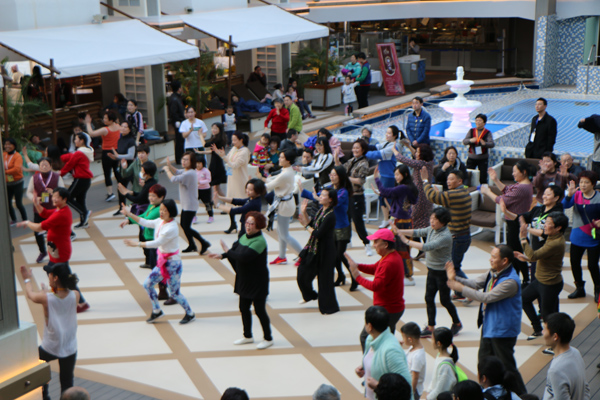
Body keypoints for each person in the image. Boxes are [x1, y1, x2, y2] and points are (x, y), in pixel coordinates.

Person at [445, 244, 527, 395]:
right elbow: (475, 283)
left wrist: (460, 288)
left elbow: (486, 297)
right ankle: (485, 393)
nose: (490, 259)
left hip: (503, 330)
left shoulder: (510, 281)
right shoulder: (494, 272)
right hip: (490, 325)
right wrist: (455, 278)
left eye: (494, 257)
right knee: (483, 362)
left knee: (507, 366)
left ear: (505, 260)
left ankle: (522, 395)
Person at [122, 199, 196, 324]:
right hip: (163, 262)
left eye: (164, 210)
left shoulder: (172, 227)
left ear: (171, 212)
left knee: (175, 294)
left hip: (173, 264)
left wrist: (137, 244)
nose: (161, 212)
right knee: (147, 284)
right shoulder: (160, 221)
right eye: (161, 209)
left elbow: (157, 242)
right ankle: (157, 310)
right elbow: (145, 222)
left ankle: (190, 313)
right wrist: (129, 214)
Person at [17, 186, 89, 312]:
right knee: (52, 272)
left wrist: (27, 223)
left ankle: (81, 303)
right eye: (53, 196)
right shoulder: (60, 209)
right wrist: (36, 204)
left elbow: (40, 227)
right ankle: (63, 297)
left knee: (65, 278)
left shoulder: (62, 214)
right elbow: (44, 213)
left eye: (57, 197)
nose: (54, 199)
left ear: (64, 199)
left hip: (60, 252)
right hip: (55, 251)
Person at [209, 211, 273, 350]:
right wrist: (223, 255)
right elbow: (235, 250)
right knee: (243, 308)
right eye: (247, 223)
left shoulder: (259, 241)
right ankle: (248, 336)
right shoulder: (244, 236)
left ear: (259, 225)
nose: (248, 226)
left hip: (257, 281)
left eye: (252, 224)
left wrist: (227, 251)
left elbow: (244, 257)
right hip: (244, 279)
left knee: (260, 310)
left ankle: (268, 338)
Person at [396, 208, 463, 338]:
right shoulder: (432, 229)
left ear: (443, 222)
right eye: (431, 218)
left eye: (435, 219)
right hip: (432, 270)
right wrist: (400, 231)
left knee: (444, 300)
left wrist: (406, 241)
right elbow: (418, 231)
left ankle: (457, 323)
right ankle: (431, 327)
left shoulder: (445, 236)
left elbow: (427, 247)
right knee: (428, 298)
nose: (432, 221)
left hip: (443, 273)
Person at [20, 263, 79, 400]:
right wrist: (48, 291)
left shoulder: (46, 299)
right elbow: (61, 299)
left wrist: (27, 279)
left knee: (40, 371)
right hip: (70, 347)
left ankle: (45, 395)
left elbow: (31, 295)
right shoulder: (75, 295)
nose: (49, 277)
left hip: (50, 347)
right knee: (67, 382)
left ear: (56, 278)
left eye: (50, 275)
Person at [346, 228, 405, 349]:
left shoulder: (389, 262)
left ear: (385, 244)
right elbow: (375, 268)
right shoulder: (390, 256)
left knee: (366, 337)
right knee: (386, 340)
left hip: (387, 309)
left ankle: (370, 360)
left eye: (376, 242)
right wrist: (357, 266)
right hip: (393, 308)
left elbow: (375, 286)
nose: (374, 245)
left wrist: (357, 276)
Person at [481, 161, 535, 284]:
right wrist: (495, 180)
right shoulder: (524, 185)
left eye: (515, 171)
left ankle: (521, 280)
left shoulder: (522, 188)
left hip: (515, 223)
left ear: (524, 172)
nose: (513, 174)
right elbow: (507, 190)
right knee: (518, 251)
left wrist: (487, 192)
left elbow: (502, 200)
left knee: (515, 254)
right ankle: (523, 279)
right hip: (516, 222)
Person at [515, 212, 567, 341]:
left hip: (549, 284)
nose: (545, 226)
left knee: (548, 316)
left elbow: (534, 256)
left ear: (558, 228)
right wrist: (527, 258)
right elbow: (541, 256)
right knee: (523, 299)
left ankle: (555, 343)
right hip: (540, 280)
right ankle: (538, 329)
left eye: (548, 223)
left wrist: (523, 239)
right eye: (546, 222)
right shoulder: (553, 236)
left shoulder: (555, 243)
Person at [422, 167, 472, 299]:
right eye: (447, 179)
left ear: (460, 181)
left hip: (457, 238)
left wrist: (425, 181)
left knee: (453, 267)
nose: (448, 181)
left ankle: (469, 291)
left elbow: (432, 196)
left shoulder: (453, 194)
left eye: (451, 179)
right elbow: (446, 203)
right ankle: (460, 292)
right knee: (454, 266)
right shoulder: (464, 192)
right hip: (464, 236)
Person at [500, 185, 564, 281]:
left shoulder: (558, 214)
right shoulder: (537, 210)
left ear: (556, 198)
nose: (544, 196)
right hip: (535, 251)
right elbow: (520, 217)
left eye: (548, 194)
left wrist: (527, 229)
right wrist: (506, 211)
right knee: (534, 279)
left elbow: (545, 233)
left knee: (544, 280)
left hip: (548, 252)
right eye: (544, 194)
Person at [301, 166, 353, 286]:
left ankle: (354, 277)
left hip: (342, 227)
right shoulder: (329, 188)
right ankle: (341, 275)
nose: (332, 177)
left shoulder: (343, 192)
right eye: (331, 174)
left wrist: (317, 197)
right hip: (332, 227)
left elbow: (334, 203)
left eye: (334, 175)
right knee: (334, 256)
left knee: (340, 255)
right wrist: (303, 190)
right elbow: (318, 196)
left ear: (340, 177)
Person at [297, 189, 340, 314]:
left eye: (323, 195)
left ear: (330, 199)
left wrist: (306, 226)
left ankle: (329, 307)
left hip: (325, 250)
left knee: (325, 280)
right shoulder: (321, 211)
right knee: (302, 272)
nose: (320, 197)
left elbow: (317, 233)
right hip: (315, 248)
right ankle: (310, 295)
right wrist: (304, 213)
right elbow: (312, 225)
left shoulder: (330, 216)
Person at [355, 306, 412, 400]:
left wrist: (378, 386)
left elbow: (405, 387)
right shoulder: (371, 339)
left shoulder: (391, 351)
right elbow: (374, 360)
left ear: (370, 326)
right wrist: (365, 367)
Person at [375, 164, 418, 286]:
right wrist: (381, 193)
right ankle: (404, 273)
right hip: (403, 221)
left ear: (405, 175)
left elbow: (386, 191)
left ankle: (407, 274)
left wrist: (377, 179)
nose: (396, 177)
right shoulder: (407, 187)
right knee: (401, 248)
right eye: (395, 174)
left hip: (402, 223)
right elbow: (390, 195)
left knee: (401, 249)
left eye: (398, 174)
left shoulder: (403, 187)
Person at [562, 171, 600, 301]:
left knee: (592, 265)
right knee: (574, 263)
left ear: (593, 184)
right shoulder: (576, 195)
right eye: (581, 182)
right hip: (577, 237)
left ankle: (598, 289)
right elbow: (564, 205)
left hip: (594, 237)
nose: (583, 185)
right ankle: (579, 288)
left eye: (586, 182)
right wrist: (569, 195)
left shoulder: (599, 198)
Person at [393, 143, 435, 259]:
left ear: (422, 154)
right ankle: (427, 249)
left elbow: (404, 160)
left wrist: (394, 150)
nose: (416, 153)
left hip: (419, 197)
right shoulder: (429, 162)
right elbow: (415, 158)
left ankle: (422, 249)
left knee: (414, 222)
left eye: (418, 152)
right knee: (424, 223)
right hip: (427, 196)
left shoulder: (420, 164)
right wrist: (408, 146)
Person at [163, 152, 211, 254]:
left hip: (190, 205)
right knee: (184, 226)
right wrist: (170, 165)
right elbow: (177, 171)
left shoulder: (189, 173)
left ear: (192, 161)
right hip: (187, 204)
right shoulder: (188, 171)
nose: (183, 161)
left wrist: (167, 170)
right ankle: (192, 245)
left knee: (186, 227)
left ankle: (203, 243)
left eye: (186, 160)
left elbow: (174, 179)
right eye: (183, 159)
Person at [264, 150, 303, 265]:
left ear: (288, 160)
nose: (279, 159)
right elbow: (274, 180)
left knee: (284, 234)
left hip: (285, 205)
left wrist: (256, 183)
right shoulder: (286, 170)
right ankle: (282, 257)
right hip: (284, 204)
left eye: (282, 157)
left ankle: (303, 255)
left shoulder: (286, 173)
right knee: (281, 232)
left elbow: (269, 185)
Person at [542, 312, 591, 400]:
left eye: (545, 329)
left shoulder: (556, 370)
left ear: (555, 336)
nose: (542, 332)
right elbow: (585, 388)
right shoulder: (575, 352)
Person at [336, 138, 373, 256]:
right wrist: (336, 157)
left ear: (363, 150)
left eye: (357, 148)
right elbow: (341, 169)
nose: (355, 150)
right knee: (345, 219)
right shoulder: (352, 160)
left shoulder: (364, 163)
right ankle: (347, 241)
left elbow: (360, 181)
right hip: (347, 194)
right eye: (354, 147)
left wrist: (346, 178)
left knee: (358, 222)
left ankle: (367, 243)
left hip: (356, 196)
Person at [121, 183, 165, 278]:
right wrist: (129, 220)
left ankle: (161, 284)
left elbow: (145, 220)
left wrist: (129, 215)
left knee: (156, 268)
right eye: (150, 195)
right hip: (150, 239)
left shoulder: (159, 210)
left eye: (154, 196)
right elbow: (143, 215)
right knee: (154, 267)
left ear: (161, 197)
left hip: (155, 241)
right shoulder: (152, 206)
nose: (150, 198)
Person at [26, 157, 65, 263]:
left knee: (54, 232)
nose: (44, 166)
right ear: (38, 167)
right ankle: (42, 251)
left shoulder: (57, 177)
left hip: (53, 210)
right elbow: (29, 192)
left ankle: (55, 252)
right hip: (39, 210)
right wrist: (34, 198)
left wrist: (54, 192)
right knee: (38, 231)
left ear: (50, 166)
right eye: (42, 165)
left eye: (46, 164)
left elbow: (63, 191)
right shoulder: (34, 178)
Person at [366, 125, 404, 228]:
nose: (386, 135)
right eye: (386, 133)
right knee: (382, 198)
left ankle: (394, 219)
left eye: (389, 133)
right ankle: (386, 219)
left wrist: (364, 152)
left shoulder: (394, 146)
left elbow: (377, 154)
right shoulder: (387, 143)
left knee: (388, 199)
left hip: (389, 176)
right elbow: (375, 147)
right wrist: (363, 145)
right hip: (382, 175)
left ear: (394, 135)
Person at [85, 111, 120, 202]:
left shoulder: (105, 129)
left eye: (105, 118)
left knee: (107, 173)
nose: (103, 120)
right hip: (117, 151)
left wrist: (88, 123)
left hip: (107, 152)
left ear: (111, 120)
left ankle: (110, 193)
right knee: (117, 171)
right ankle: (122, 189)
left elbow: (92, 133)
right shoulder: (118, 126)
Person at [60, 133, 93, 228]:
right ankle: (84, 222)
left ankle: (84, 212)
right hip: (86, 180)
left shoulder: (79, 153)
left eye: (76, 139)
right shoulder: (86, 151)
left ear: (81, 140)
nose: (74, 141)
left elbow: (69, 165)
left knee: (67, 198)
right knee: (80, 200)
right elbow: (71, 157)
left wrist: (59, 175)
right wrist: (60, 157)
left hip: (80, 179)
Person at [109, 120, 137, 215]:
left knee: (136, 187)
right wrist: (115, 157)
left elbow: (131, 155)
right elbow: (120, 154)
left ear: (129, 129)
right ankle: (122, 208)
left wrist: (118, 156)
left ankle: (139, 205)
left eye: (125, 127)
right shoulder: (120, 140)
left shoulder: (131, 141)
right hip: (122, 167)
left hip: (131, 167)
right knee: (120, 187)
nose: (123, 128)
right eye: (122, 126)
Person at [213, 131, 250, 199]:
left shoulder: (244, 151)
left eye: (235, 140)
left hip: (239, 179)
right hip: (231, 177)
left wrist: (224, 156)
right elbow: (227, 158)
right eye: (232, 140)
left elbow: (234, 165)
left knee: (240, 196)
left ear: (241, 140)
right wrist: (218, 152)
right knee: (231, 195)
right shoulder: (234, 148)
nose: (233, 142)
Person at [426, 327, 459, 400]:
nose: (431, 341)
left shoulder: (445, 366)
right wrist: (429, 391)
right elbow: (434, 380)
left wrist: (428, 398)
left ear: (438, 343)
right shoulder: (439, 355)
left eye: (432, 339)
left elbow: (440, 390)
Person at [463, 113, 495, 184]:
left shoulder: (487, 133)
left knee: (483, 177)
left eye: (480, 120)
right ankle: (467, 188)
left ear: (484, 123)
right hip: (471, 158)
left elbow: (492, 144)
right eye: (476, 120)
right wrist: (470, 140)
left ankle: (483, 189)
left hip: (483, 158)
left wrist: (485, 143)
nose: (478, 122)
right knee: (468, 175)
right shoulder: (471, 131)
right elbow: (464, 141)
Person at [4, 137, 27, 225]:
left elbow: (16, 169)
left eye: (9, 144)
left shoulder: (17, 156)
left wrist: (4, 172)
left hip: (17, 183)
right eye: (6, 144)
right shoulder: (3, 154)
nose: (7, 146)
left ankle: (25, 220)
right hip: (7, 183)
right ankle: (14, 219)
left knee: (18, 203)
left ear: (14, 145)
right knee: (8, 203)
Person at [400, 322, 426, 400]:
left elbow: (415, 377)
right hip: (407, 385)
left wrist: (411, 393)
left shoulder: (417, 356)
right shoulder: (412, 348)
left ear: (410, 339)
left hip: (413, 389)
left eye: (403, 337)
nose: (402, 340)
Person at [202, 123, 228, 197]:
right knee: (216, 187)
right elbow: (213, 152)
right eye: (212, 128)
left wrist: (200, 135)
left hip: (216, 164)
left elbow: (204, 144)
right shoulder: (219, 138)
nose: (213, 130)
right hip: (217, 163)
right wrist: (201, 152)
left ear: (220, 130)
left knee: (211, 184)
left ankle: (217, 200)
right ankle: (224, 200)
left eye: (216, 128)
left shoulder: (217, 139)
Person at [194, 156, 214, 223]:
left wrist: (200, 182)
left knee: (207, 203)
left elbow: (209, 180)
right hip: (196, 189)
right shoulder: (194, 171)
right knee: (194, 203)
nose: (198, 165)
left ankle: (211, 216)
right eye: (196, 163)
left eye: (199, 163)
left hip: (205, 190)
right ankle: (194, 216)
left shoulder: (206, 171)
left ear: (203, 163)